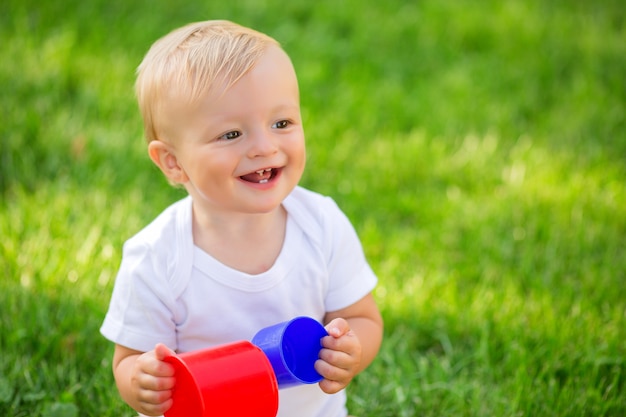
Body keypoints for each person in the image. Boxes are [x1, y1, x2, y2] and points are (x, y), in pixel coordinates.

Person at [100, 19, 383, 417]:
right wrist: (142, 381)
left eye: (281, 123)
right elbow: (129, 360)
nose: (264, 147)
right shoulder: (156, 258)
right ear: (173, 162)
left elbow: (361, 317)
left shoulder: (321, 224)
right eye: (232, 134)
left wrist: (349, 350)